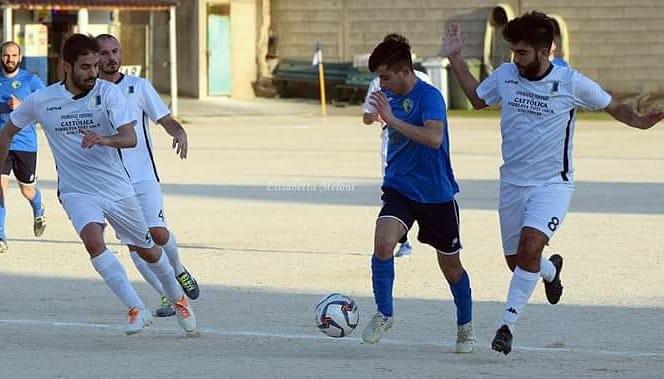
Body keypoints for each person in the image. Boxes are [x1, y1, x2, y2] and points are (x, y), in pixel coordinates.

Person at [440, 11, 663, 355]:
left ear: (546, 51)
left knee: (530, 247)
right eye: (513, 52)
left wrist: (640, 122)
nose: (515, 59)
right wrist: (455, 58)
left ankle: (507, 326)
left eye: (522, 53)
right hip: (512, 185)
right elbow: (476, 98)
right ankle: (550, 270)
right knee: (518, 263)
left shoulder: (571, 82)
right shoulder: (506, 76)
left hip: (552, 185)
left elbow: (613, 106)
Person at [0, 34, 200, 335]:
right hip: (76, 190)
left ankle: (177, 296)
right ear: (65, 65)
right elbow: (8, 131)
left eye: (95, 66)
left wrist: (105, 139)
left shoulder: (109, 94)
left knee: (146, 248)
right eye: (85, 67)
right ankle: (135, 308)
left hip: (118, 188)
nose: (93, 73)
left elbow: (130, 137)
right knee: (93, 242)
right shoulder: (43, 100)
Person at [360, 35, 475, 353]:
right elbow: (373, 116)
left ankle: (465, 326)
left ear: (403, 71)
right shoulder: (387, 94)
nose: (380, 84)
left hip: (436, 193)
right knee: (383, 244)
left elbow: (434, 138)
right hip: (400, 188)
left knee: (451, 266)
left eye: (385, 76)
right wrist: (376, 116)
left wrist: (393, 120)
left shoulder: (430, 97)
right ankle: (384, 314)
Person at [96, 34, 199, 318]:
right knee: (135, 243)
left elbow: (164, 119)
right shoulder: (90, 94)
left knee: (158, 233)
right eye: (104, 53)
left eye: (115, 51)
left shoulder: (138, 86)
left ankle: (178, 270)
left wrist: (178, 130)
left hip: (143, 175)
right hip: (112, 181)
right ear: (95, 57)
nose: (111, 57)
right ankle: (168, 296)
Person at [362, 34, 436, 258]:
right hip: (392, 146)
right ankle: (402, 241)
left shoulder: (424, 83)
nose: (384, 83)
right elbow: (366, 116)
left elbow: (434, 123)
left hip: (421, 150)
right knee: (394, 193)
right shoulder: (378, 82)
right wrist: (375, 116)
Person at [0, 41, 47, 253]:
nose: (9, 59)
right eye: (6, 55)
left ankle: (38, 206)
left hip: (25, 143)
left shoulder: (31, 81)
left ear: (20, 57)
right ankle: (1, 236)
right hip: (2, 143)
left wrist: (23, 106)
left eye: (13, 55)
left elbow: (47, 107)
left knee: (26, 190)